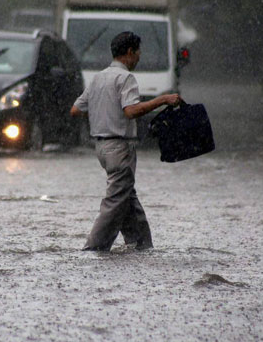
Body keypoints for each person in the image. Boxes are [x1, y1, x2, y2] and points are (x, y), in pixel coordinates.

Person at [70, 31, 182, 251]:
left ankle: (141, 245)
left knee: (127, 199)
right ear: (130, 52)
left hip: (101, 148)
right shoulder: (126, 78)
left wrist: (103, 115)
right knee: (114, 204)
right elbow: (131, 111)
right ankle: (92, 250)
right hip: (120, 148)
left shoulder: (98, 77)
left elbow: (76, 109)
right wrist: (163, 99)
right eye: (138, 52)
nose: (139, 57)